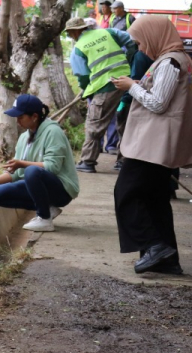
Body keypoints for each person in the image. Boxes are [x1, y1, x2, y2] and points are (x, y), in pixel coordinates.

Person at [111, 16, 192, 275]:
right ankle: (167, 260)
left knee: (126, 194)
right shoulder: (174, 60)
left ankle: (154, 246)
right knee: (155, 200)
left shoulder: (170, 62)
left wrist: (131, 86)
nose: (141, 48)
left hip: (152, 144)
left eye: (141, 41)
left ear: (155, 35)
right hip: (156, 143)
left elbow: (158, 103)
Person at [0, 94, 78, 232]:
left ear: (34, 116)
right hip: (39, 183)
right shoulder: (24, 137)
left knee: (31, 171)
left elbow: (53, 167)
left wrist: (22, 164)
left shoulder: (53, 132)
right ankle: (47, 209)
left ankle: (44, 219)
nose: (17, 121)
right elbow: (16, 173)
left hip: (62, 190)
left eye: (21, 117)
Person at [64, 16, 136, 173]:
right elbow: (131, 42)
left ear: (74, 32)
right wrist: (129, 60)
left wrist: (86, 88)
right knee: (125, 121)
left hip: (105, 87)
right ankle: (124, 161)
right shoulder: (109, 32)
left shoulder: (78, 48)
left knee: (94, 124)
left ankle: (87, 161)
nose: (70, 37)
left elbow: (82, 75)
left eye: (69, 34)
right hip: (128, 81)